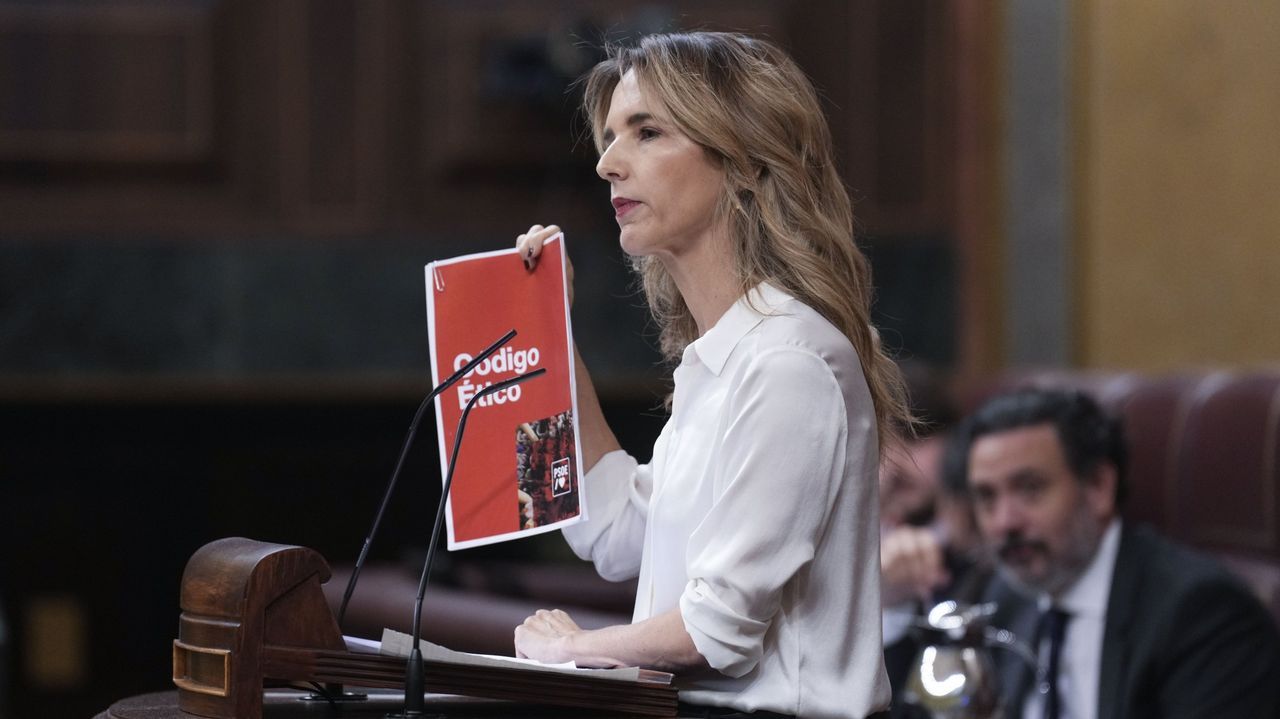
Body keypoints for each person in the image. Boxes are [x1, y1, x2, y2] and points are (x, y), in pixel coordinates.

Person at [510, 32, 912, 719]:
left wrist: (570, 649)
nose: (608, 163)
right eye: (610, 137)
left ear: (745, 160)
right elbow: (610, 535)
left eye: (646, 132)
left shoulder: (788, 359)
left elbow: (717, 631)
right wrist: (545, 334)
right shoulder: (721, 358)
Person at [944, 387, 1280, 719]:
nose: (1005, 522)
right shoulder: (1006, 597)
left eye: (1030, 488)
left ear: (1099, 487)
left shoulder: (1200, 612)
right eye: (987, 497)